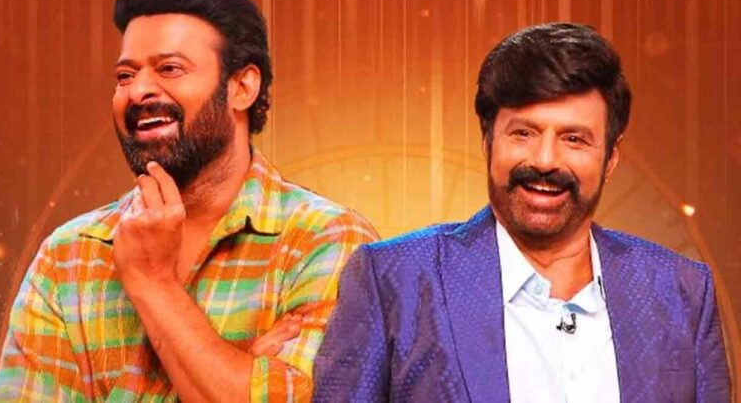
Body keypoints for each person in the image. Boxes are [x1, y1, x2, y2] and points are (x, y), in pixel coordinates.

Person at [0, 0, 377, 402]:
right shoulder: (69, 257)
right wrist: (236, 377)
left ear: (242, 87)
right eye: (125, 76)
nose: (138, 91)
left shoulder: (327, 242)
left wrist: (153, 282)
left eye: (169, 68)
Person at [313, 23, 730, 402]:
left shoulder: (682, 292)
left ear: (611, 158)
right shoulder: (394, 281)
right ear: (488, 141)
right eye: (524, 133)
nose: (545, 160)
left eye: (574, 139)